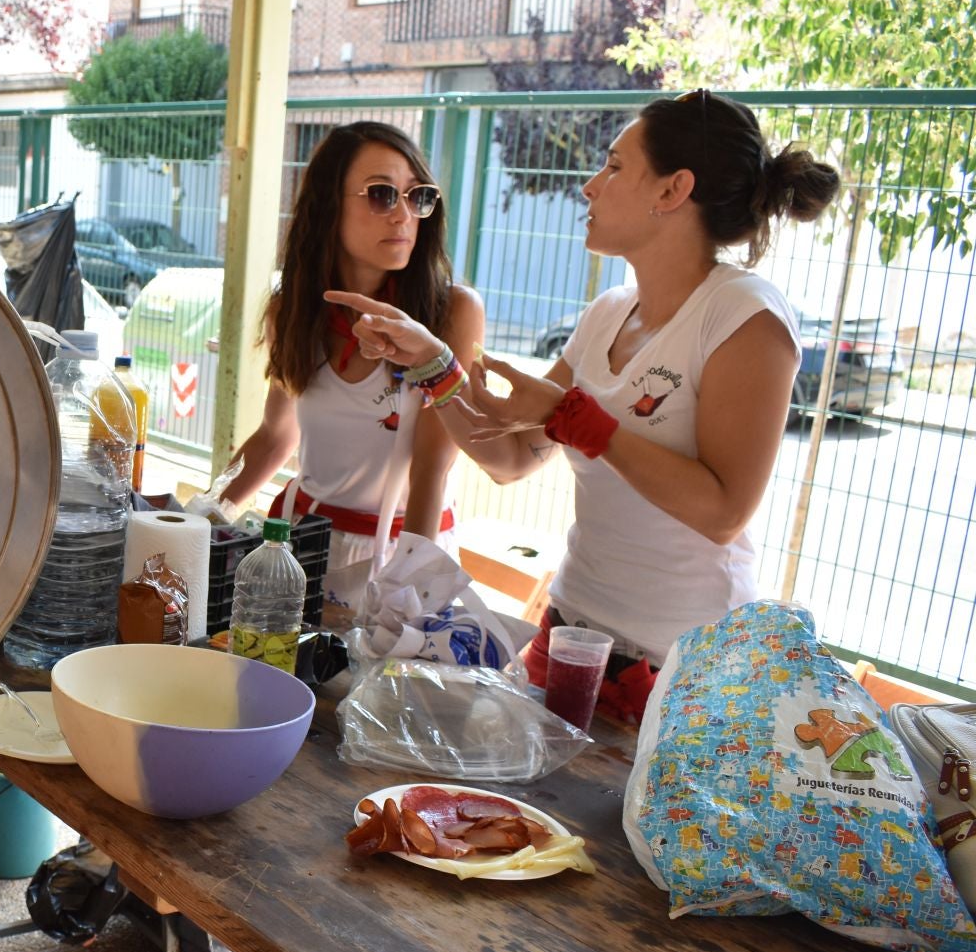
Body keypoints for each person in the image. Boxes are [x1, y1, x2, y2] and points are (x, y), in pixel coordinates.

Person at [339, 91, 839, 730]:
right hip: (572, 633)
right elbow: (510, 456)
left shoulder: (744, 316)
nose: (588, 186)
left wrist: (581, 421)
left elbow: (723, 511)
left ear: (672, 190)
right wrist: (434, 364)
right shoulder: (608, 313)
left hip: (677, 664)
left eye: (613, 166)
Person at [217, 121, 483, 610]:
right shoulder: (292, 310)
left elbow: (433, 466)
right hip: (306, 545)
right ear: (328, 205)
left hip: (406, 546)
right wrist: (209, 514)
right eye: (382, 195)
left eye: (417, 196)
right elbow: (276, 435)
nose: (404, 214)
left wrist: (412, 583)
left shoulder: (451, 312)